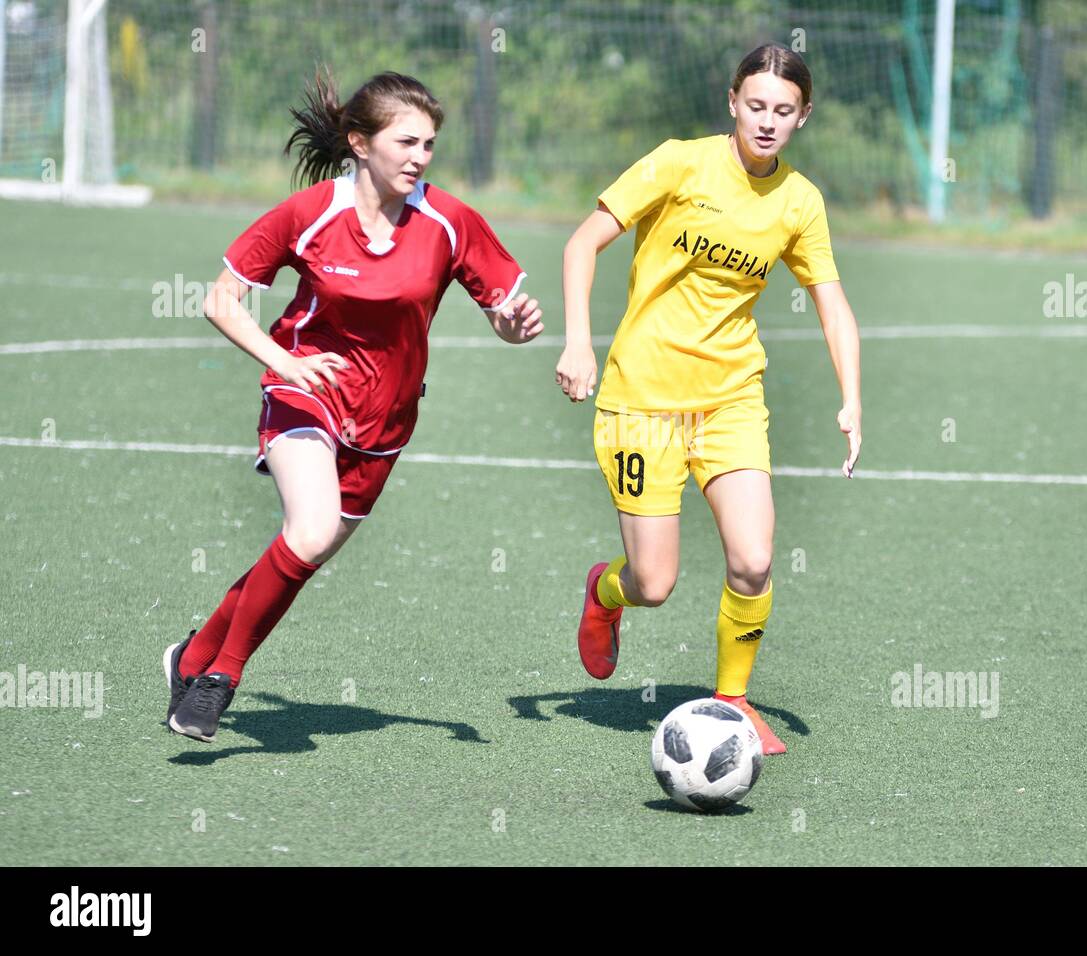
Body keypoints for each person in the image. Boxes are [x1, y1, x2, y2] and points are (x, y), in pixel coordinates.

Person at [165, 70, 542, 742]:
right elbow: (219, 299)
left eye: (429, 144)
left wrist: (513, 327)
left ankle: (189, 658)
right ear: (361, 143)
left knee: (300, 553)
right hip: (303, 396)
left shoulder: (449, 222)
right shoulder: (311, 214)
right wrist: (284, 363)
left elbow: (501, 311)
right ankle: (220, 678)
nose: (421, 157)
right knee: (307, 531)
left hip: (386, 422)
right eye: (407, 141)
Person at [556, 43, 862, 755]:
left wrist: (851, 399)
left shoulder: (799, 201)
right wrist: (578, 342)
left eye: (783, 111)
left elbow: (834, 305)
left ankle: (733, 700)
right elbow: (582, 244)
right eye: (755, 106)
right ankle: (605, 592)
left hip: (729, 402)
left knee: (753, 560)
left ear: (803, 116)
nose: (767, 121)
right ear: (732, 101)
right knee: (654, 583)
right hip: (641, 402)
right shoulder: (678, 163)